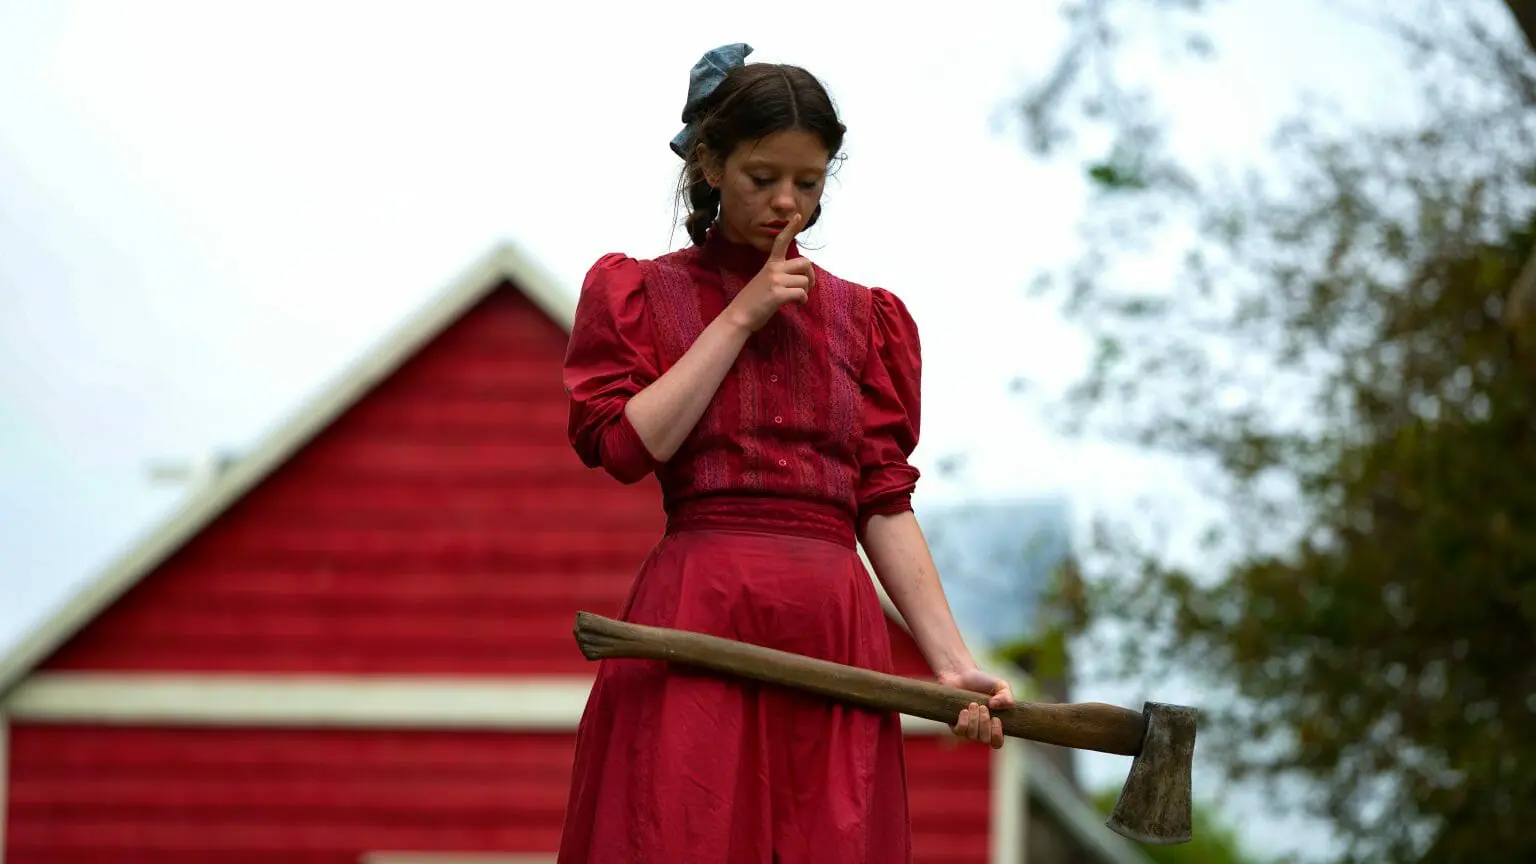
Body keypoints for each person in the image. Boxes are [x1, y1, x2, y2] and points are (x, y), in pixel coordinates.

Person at [556, 43, 1013, 864]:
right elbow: (627, 447)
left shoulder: (864, 317)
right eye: (763, 177)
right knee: (676, 835)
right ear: (708, 163)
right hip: (697, 611)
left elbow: (881, 498)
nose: (787, 203)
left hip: (832, 626)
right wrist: (740, 316)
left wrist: (951, 665)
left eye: (809, 182)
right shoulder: (640, 291)